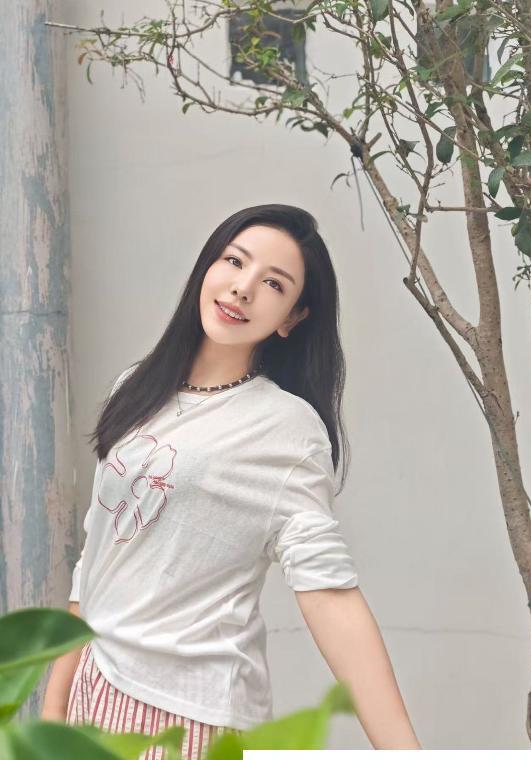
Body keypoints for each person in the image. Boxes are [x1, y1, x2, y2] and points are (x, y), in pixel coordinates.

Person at [41, 204, 422, 757]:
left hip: (185, 712)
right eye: (235, 261)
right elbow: (97, 560)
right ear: (207, 267)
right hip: (92, 691)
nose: (243, 288)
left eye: (273, 283)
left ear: (292, 317)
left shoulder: (286, 428)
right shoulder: (136, 387)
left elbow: (328, 592)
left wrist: (404, 750)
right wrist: (55, 708)